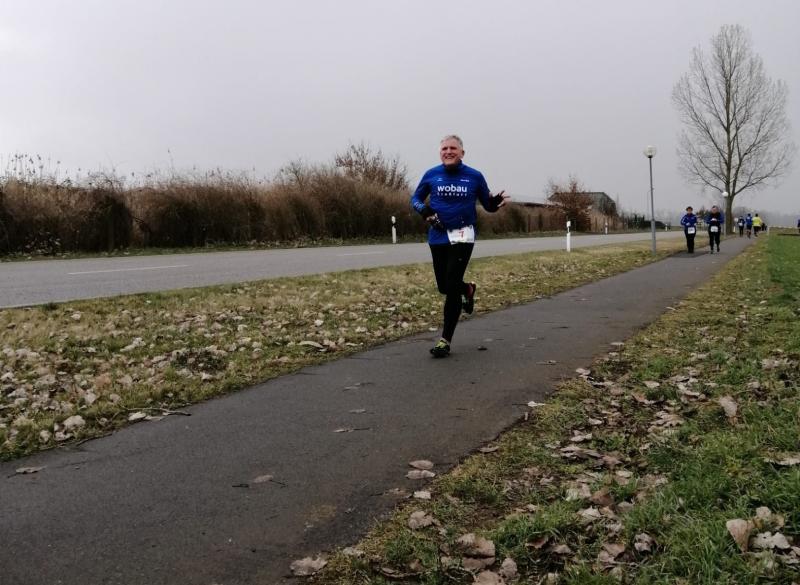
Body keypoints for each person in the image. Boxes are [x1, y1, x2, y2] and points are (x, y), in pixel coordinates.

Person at [410, 135, 510, 357]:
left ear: (462, 153)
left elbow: (488, 205)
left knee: (452, 282)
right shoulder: (432, 174)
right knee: (444, 287)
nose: (448, 152)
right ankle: (468, 289)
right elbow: (415, 199)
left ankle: (445, 341)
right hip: (438, 234)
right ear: (440, 153)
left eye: (453, 148)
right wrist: (424, 211)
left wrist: (495, 203)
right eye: (444, 148)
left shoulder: (474, 176)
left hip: (463, 233)